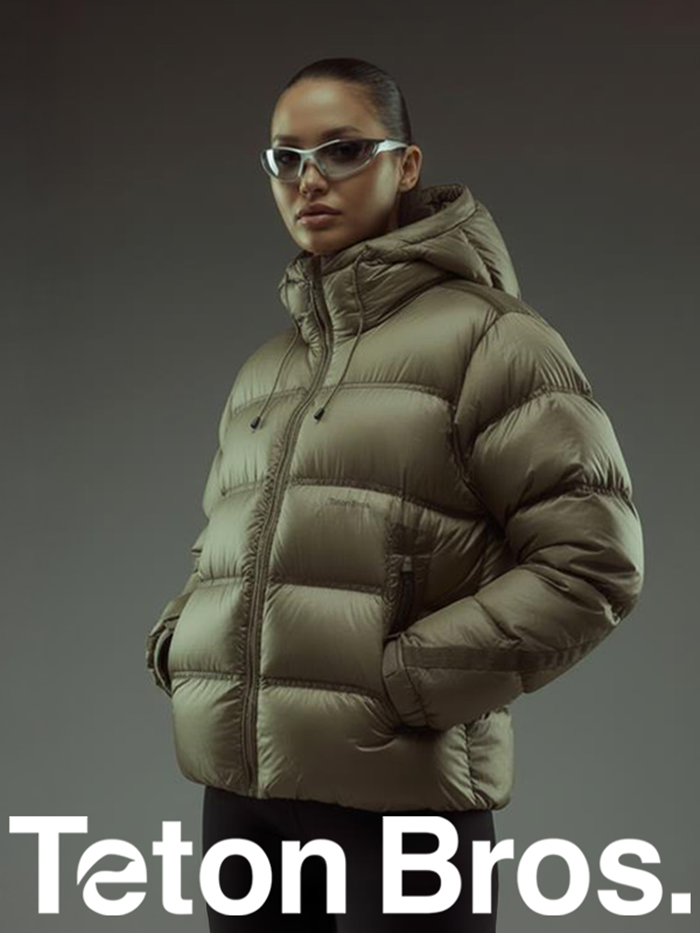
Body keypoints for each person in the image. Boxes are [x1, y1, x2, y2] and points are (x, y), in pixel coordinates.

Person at [145, 57, 644, 931]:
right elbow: (226, 544)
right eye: (286, 157)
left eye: (342, 150)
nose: (309, 180)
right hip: (243, 802)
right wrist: (182, 643)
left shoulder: (493, 340)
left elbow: (593, 563)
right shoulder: (267, 369)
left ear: (405, 165)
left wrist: (407, 684)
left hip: (406, 808)